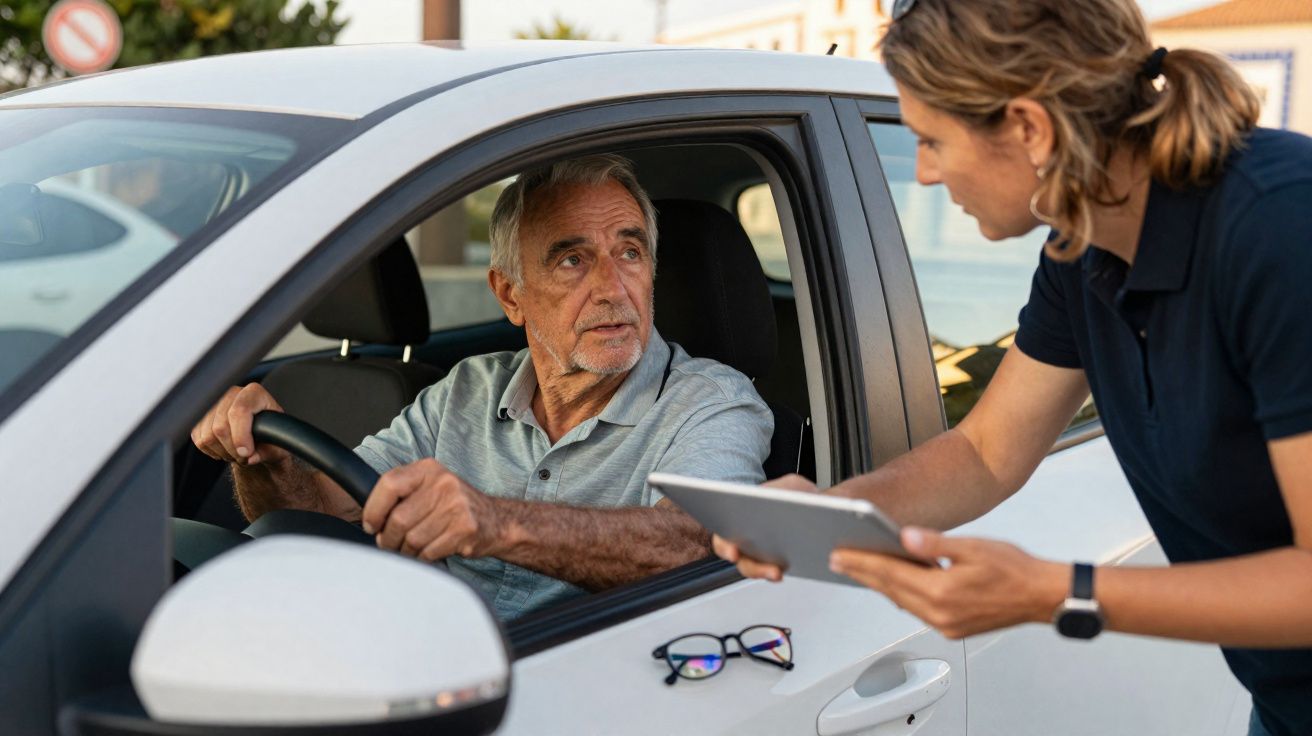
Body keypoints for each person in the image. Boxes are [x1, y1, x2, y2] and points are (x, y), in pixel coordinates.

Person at [714, 1, 1312, 734]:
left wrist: (1054, 592)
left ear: (1030, 128)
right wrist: (833, 514)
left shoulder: (1283, 231)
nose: (924, 173)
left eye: (931, 141)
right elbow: (985, 451)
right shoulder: (1080, 251)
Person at [192, 154, 773, 620]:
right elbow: (319, 511)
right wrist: (263, 462)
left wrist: (496, 524)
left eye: (629, 251)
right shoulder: (468, 388)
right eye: (573, 260)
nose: (613, 288)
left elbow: (701, 543)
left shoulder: (712, 403)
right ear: (509, 294)